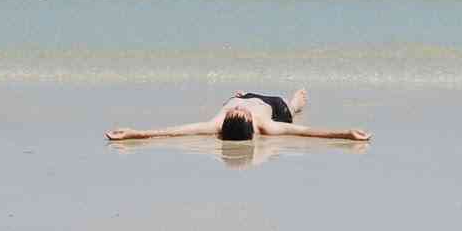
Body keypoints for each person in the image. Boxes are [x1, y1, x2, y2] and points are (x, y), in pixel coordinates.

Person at [106, 89, 370, 142]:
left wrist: (134, 133)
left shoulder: (218, 123)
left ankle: (242, 93)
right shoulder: (267, 125)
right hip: (274, 105)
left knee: (237, 95)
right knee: (290, 109)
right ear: (249, 123)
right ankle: (295, 103)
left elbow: (174, 130)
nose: (237, 110)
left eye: (234, 111)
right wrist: (346, 134)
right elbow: (307, 132)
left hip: (246, 93)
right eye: (239, 112)